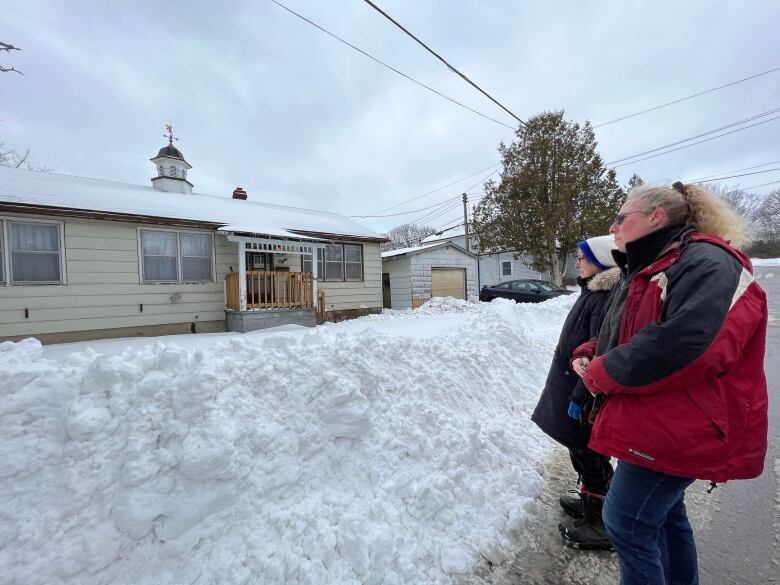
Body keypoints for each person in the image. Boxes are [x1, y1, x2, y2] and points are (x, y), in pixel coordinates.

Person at [571, 182, 769, 584]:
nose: (614, 227)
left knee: (625, 520)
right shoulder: (653, 264)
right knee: (663, 516)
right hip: (657, 421)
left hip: (680, 425)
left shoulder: (707, 262)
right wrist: (596, 349)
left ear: (656, 217)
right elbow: (637, 328)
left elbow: (687, 345)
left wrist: (603, 371)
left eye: (622, 218)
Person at [531, 235, 621, 550]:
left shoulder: (605, 296)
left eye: (582, 258)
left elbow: (600, 350)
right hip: (571, 386)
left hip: (583, 391)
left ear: (600, 261)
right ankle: (588, 501)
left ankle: (601, 522)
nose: (577, 263)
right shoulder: (592, 292)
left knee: (590, 452)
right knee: (578, 447)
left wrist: (583, 393)